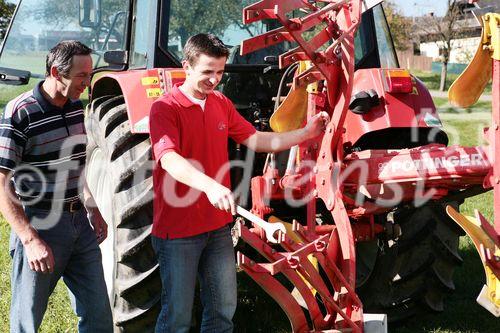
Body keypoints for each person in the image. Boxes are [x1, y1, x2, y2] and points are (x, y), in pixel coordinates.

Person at [149, 33, 329, 333]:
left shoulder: (220, 102)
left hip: (218, 227)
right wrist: (210, 186)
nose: (214, 80)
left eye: (220, 72)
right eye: (207, 72)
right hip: (178, 231)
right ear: (186, 66)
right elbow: (169, 159)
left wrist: (306, 134)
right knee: (177, 318)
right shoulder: (165, 108)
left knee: (222, 313)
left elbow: (257, 139)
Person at [0, 40, 113, 333]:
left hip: (80, 226)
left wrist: (92, 206)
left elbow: (76, 165)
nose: (87, 83)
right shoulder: (20, 112)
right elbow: (2, 182)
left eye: (89, 75)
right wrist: (29, 239)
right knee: (27, 321)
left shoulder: (76, 106)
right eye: (81, 76)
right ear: (56, 72)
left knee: (99, 317)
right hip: (42, 225)